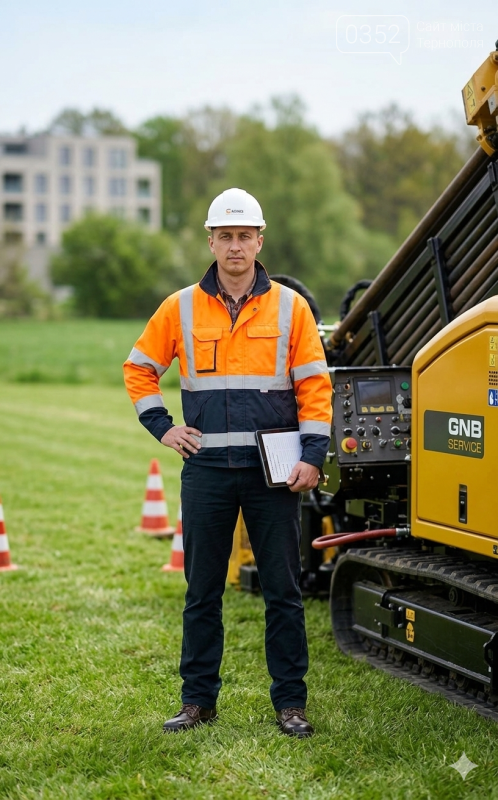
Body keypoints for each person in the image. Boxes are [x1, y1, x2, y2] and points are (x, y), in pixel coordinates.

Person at [123, 187, 332, 738]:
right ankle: (197, 702)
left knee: (283, 593)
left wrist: (313, 455)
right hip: (208, 472)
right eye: (225, 236)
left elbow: (315, 386)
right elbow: (139, 368)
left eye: (244, 236)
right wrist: (163, 426)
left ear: (260, 241)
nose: (235, 246)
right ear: (211, 242)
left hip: (274, 475)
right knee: (202, 593)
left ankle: (291, 705)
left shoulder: (291, 307)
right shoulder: (180, 307)